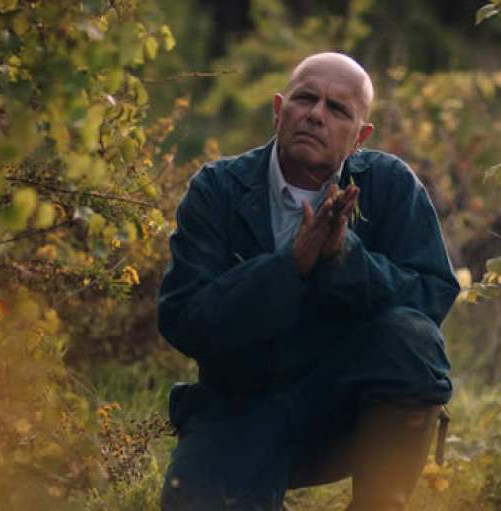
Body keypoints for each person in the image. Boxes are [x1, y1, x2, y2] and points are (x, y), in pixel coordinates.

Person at [157, 52, 460, 510]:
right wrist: (289, 266)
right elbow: (183, 318)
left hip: (343, 409)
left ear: (360, 137)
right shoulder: (217, 189)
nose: (316, 115)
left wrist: (344, 259)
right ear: (279, 110)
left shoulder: (390, 185)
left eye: (337, 109)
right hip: (240, 404)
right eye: (305, 99)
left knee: (411, 337)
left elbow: (432, 294)